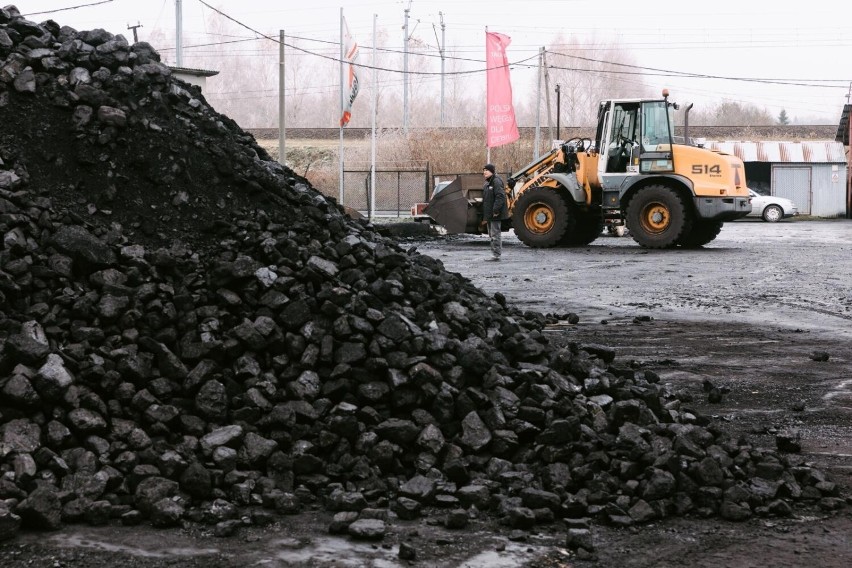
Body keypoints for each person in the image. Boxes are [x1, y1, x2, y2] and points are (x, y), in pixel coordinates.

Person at [482, 163, 508, 261]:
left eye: (487, 170)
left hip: (495, 214)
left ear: (492, 171)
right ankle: (494, 253)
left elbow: (500, 197)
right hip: (490, 214)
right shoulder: (487, 183)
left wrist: (496, 210)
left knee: (495, 234)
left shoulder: (496, 181)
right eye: (484, 170)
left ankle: (496, 255)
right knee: (491, 235)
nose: (484, 172)